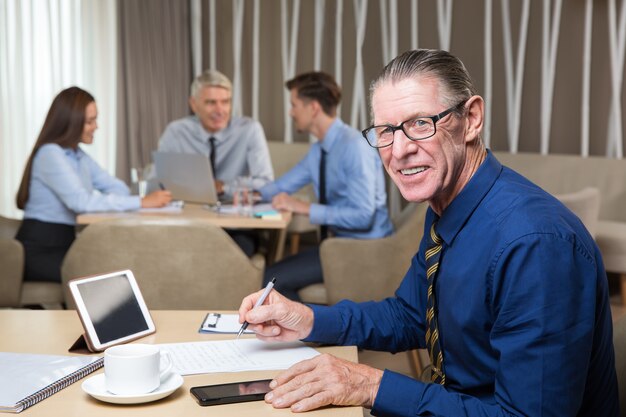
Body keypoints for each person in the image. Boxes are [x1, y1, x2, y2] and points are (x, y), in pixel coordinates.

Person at [238, 50, 619, 416]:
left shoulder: (536, 245)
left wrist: (368, 385)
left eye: (420, 123)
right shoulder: (447, 204)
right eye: (386, 130)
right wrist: (306, 319)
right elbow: (410, 315)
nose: (399, 150)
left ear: (471, 119)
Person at [258, 71, 393, 301]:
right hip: (338, 245)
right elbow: (283, 185)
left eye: (294, 105)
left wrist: (305, 208)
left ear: (313, 108)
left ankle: (313, 330)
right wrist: (243, 194)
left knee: (272, 281)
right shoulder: (318, 151)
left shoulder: (354, 147)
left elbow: (364, 216)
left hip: (365, 250)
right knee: (271, 276)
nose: (291, 112)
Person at [15, 87, 172, 284]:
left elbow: (118, 188)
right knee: (105, 280)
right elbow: (80, 202)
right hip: (39, 250)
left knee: (117, 269)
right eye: (90, 121)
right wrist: (142, 201)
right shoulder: (50, 153)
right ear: (70, 122)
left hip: (64, 244)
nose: (96, 126)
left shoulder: (78, 155)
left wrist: (136, 201)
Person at [158, 69, 274, 256]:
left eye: (225, 102)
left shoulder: (250, 130)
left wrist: (224, 187)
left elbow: (266, 183)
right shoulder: (176, 132)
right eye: (211, 103)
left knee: (227, 259)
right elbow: (158, 178)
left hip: (236, 227)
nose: (220, 110)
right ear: (194, 104)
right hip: (187, 223)